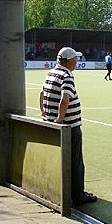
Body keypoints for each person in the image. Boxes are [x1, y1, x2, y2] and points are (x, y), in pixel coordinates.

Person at [39, 47, 97, 206]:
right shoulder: (67, 76)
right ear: (70, 61)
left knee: (62, 160)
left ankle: (64, 191)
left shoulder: (51, 73)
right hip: (69, 126)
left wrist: (44, 114)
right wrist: (59, 120)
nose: (77, 62)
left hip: (52, 124)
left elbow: (42, 94)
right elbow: (65, 100)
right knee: (76, 161)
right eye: (75, 59)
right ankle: (78, 196)